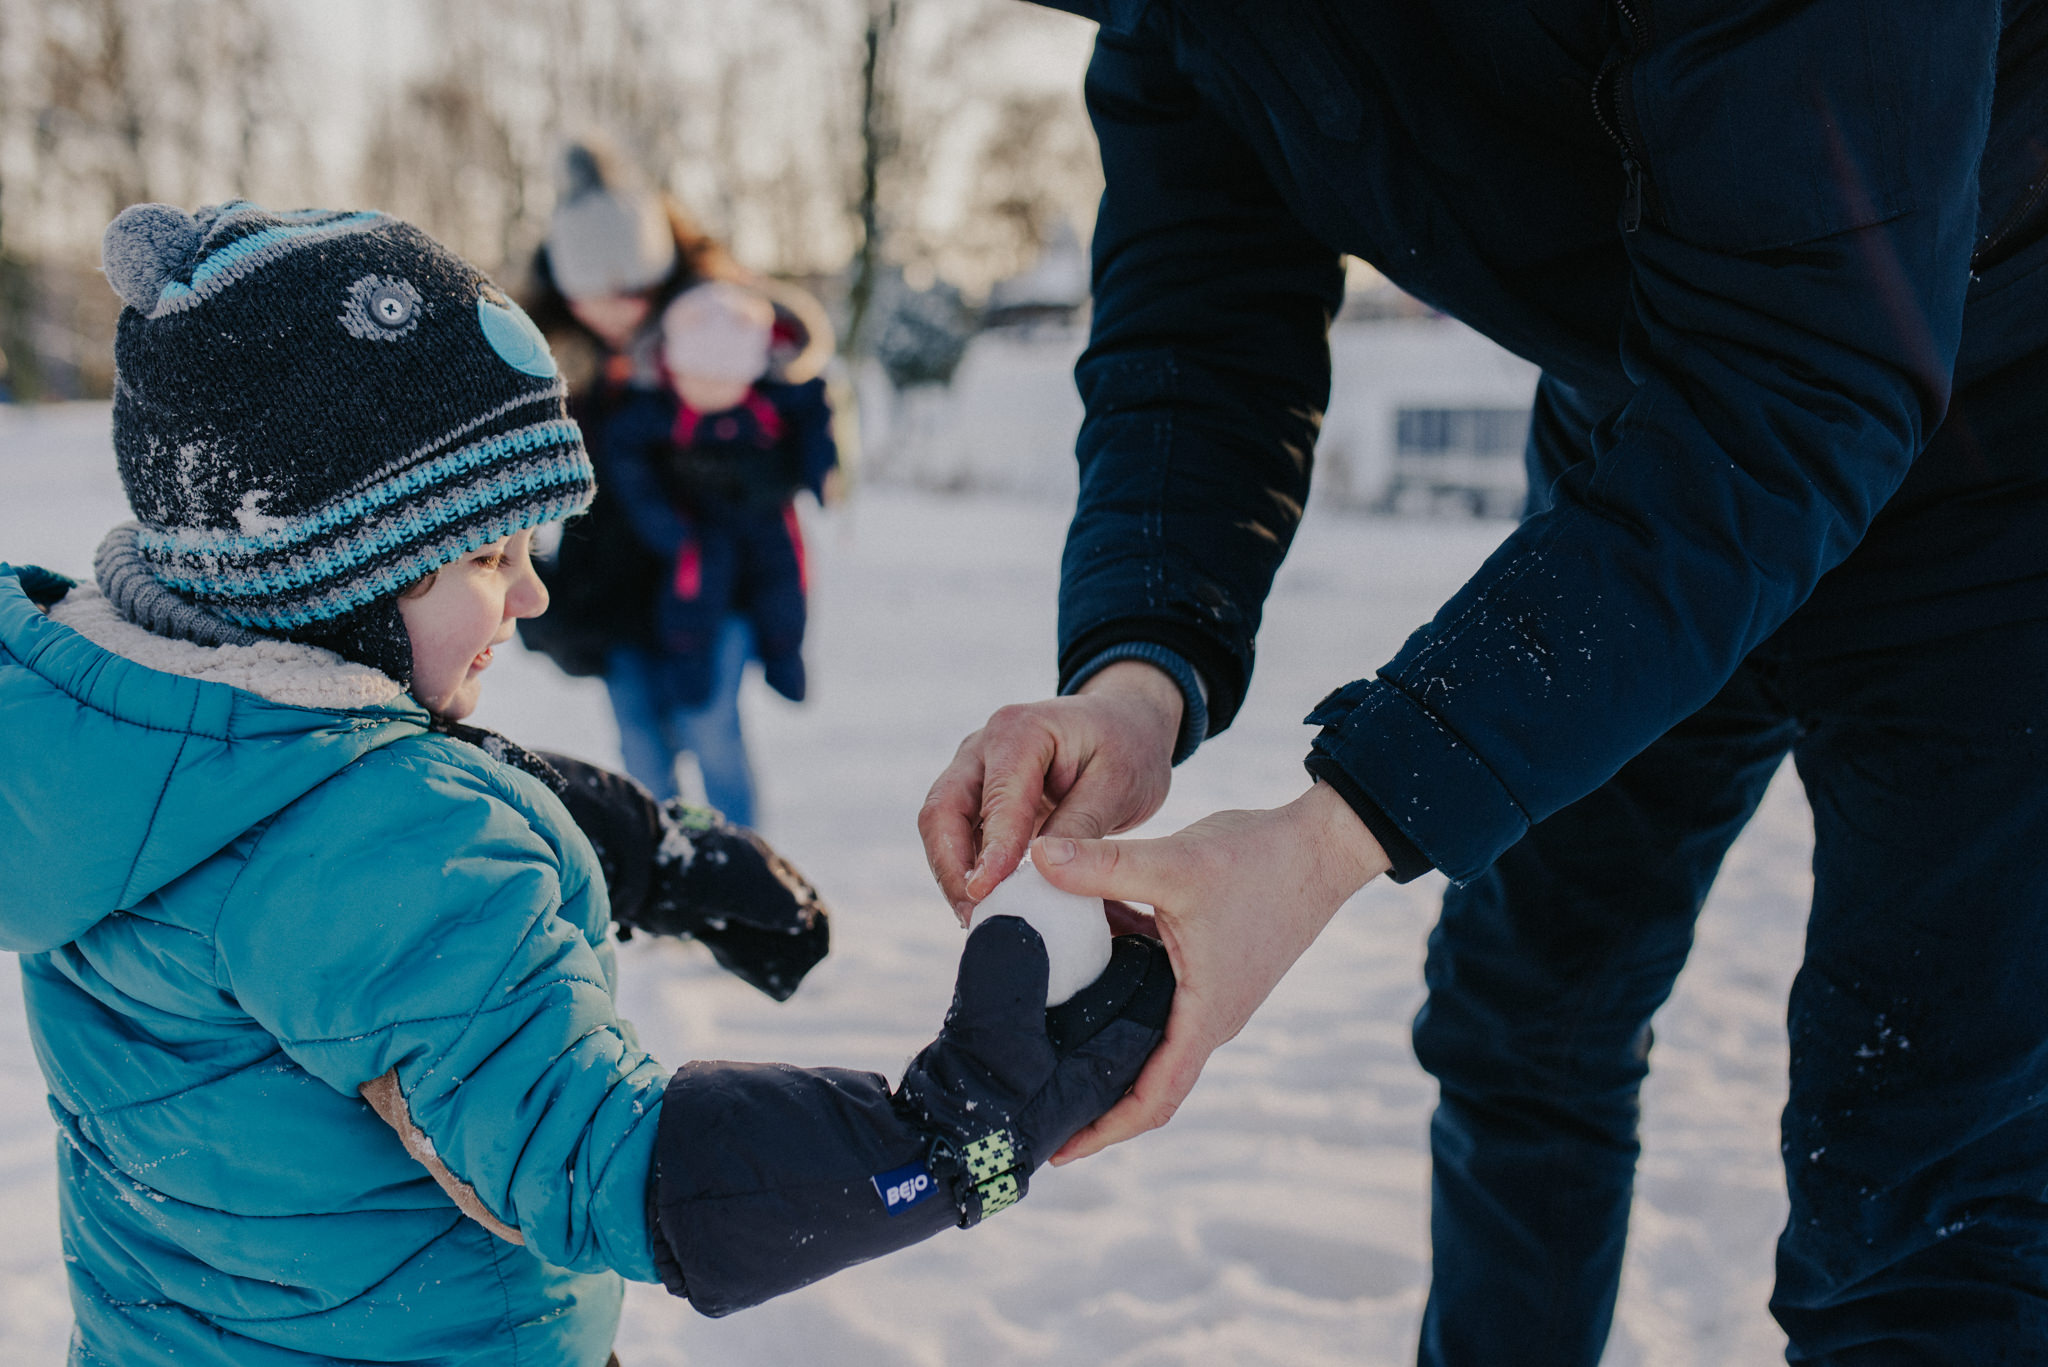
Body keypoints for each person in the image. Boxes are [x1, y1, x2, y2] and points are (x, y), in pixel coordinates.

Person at [921, 2, 2048, 1361]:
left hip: (1999, 467)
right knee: (1525, 1021)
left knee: (1927, 1183)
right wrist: (1132, 676)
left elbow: (1802, 370)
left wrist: (1333, 834)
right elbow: (1203, 306)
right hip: (1641, 452)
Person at [0, 199, 1172, 1366]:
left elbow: (295, 801)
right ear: (327, 572)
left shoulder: (106, 743)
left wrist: (631, 843)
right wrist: (948, 1132)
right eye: (484, 556)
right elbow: (600, 1162)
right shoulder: (380, 844)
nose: (530, 596)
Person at [518, 138, 835, 825]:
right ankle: (664, 873)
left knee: (711, 726)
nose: (614, 308)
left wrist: (755, 470)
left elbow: (801, 403)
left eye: (633, 288)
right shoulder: (548, 350)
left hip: (712, 574)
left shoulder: (717, 328)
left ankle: (742, 865)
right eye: (592, 292)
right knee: (639, 737)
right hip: (614, 583)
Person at [595, 281, 839, 824]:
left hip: (735, 587)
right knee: (648, 740)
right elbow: (623, 450)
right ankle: (660, 855)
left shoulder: (773, 405)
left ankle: (740, 842)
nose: (707, 394)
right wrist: (667, 523)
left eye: (720, 381)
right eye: (696, 380)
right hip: (660, 583)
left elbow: (814, 414)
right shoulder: (648, 405)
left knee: (710, 723)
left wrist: (820, 472)